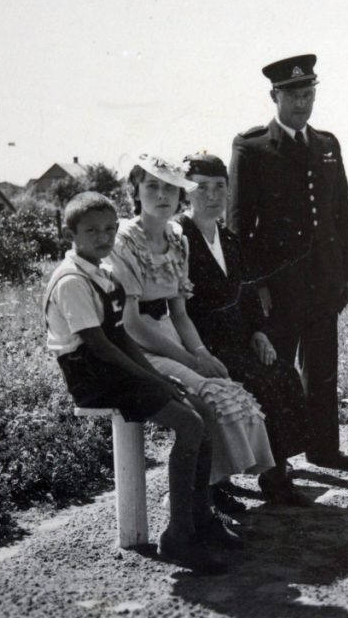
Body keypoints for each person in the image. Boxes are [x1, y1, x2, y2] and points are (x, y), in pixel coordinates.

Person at [43, 191, 229, 572]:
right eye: (91, 230)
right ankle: (179, 536)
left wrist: (157, 374)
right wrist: (152, 379)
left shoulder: (105, 273)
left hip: (115, 366)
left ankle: (202, 518)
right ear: (71, 234)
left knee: (205, 411)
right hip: (91, 373)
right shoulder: (72, 281)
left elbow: (122, 336)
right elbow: (98, 345)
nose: (103, 237)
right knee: (190, 425)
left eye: (110, 229)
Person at [106, 157, 276, 516]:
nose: (162, 195)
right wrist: (190, 361)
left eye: (169, 187)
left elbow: (180, 314)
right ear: (135, 191)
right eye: (152, 186)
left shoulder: (177, 238)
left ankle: (208, 496)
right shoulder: (124, 241)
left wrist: (201, 353)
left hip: (171, 339)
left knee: (230, 390)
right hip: (134, 347)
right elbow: (134, 324)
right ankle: (188, 505)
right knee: (206, 397)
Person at [230, 54, 348, 471]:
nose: (302, 103)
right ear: (274, 96)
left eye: (308, 94)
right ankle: (277, 462)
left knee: (322, 370)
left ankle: (324, 449)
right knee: (278, 374)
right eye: (293, 96)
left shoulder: (326, 145)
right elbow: (238, 226)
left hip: (324, 282)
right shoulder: (251, 147)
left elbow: (342, 214)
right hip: (278, 287)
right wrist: (254, 287)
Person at [175, 152, 313, 507]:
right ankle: (215, 483)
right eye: (201, 187)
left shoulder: (230, 239)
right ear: (185, 192)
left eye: (219, 187)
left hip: (237, 341)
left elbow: (246, 291)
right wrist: (197, 355)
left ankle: (276, 474)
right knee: (257, 385)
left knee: (283, 374)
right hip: (200, 347)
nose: (211, 195)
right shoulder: (179, 238)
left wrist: (259, 332)